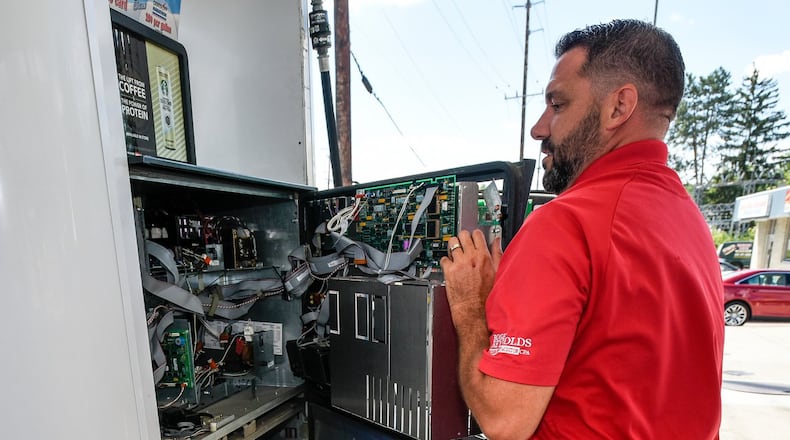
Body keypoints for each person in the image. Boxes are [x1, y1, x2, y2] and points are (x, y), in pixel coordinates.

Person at [440, 19, 724, 439]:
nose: (539, 128)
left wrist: (469, 309)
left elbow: (503, 421)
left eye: (557, 104)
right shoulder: (690, 222)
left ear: (618, 107)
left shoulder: (564, 224)